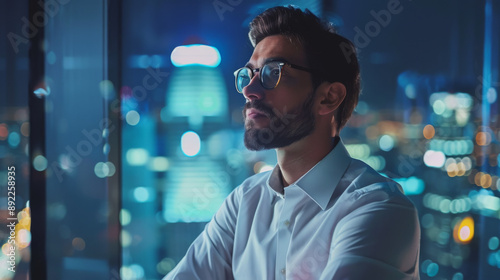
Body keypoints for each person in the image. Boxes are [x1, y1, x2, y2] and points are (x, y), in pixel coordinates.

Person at [164, 5, 420, 280]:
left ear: (329, 98)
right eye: (248, 75)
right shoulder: (244, 202)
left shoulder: (377, 208)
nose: (249, 90)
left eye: (272, 73)